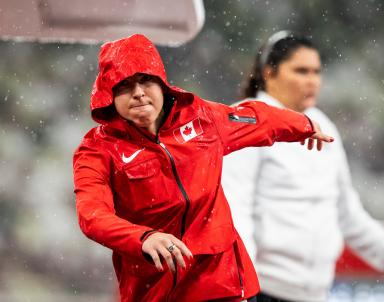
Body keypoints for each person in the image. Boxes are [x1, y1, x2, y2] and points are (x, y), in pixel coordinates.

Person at [72, 34, 333, 302]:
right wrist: (142, 239)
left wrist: (304, 125)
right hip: (155, 290)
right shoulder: (96, 150)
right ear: (109, 95)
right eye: (125, 85)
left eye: (146, 80)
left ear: (162, 84)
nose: (138, 92)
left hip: (223, 285)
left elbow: (257, 117)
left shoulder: (202, 119)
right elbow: (92, 215)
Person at [222, 31, 384, 302]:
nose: (312, 81)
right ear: (269, 72)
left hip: (317, 293)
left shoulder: (324, 125)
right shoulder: (245, 121)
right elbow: (235, 210)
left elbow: (347, 213)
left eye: (316, 71)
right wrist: (241, 287)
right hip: (263, 291)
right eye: (301, 71)